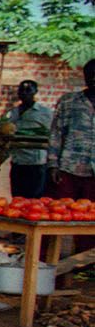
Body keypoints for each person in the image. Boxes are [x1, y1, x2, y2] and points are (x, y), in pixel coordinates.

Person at [47, 59, 95, 251]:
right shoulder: (68, 102)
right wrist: (52, 165)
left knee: (90, 223)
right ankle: (48, 263)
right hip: (68, 168)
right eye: (90, 75)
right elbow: (56, 133)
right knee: (55, 217)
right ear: (84, 77)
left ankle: (85, 265)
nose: (94, 79)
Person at [6, 79, 52, 198]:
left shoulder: (45, 113)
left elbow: (52, 135)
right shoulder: (12, 113)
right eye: (21, 90)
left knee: (35, 200)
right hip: (18, 162)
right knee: (17, 198)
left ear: (35, 92)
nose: (24, 93)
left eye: (28, 90)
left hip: (36, 163)